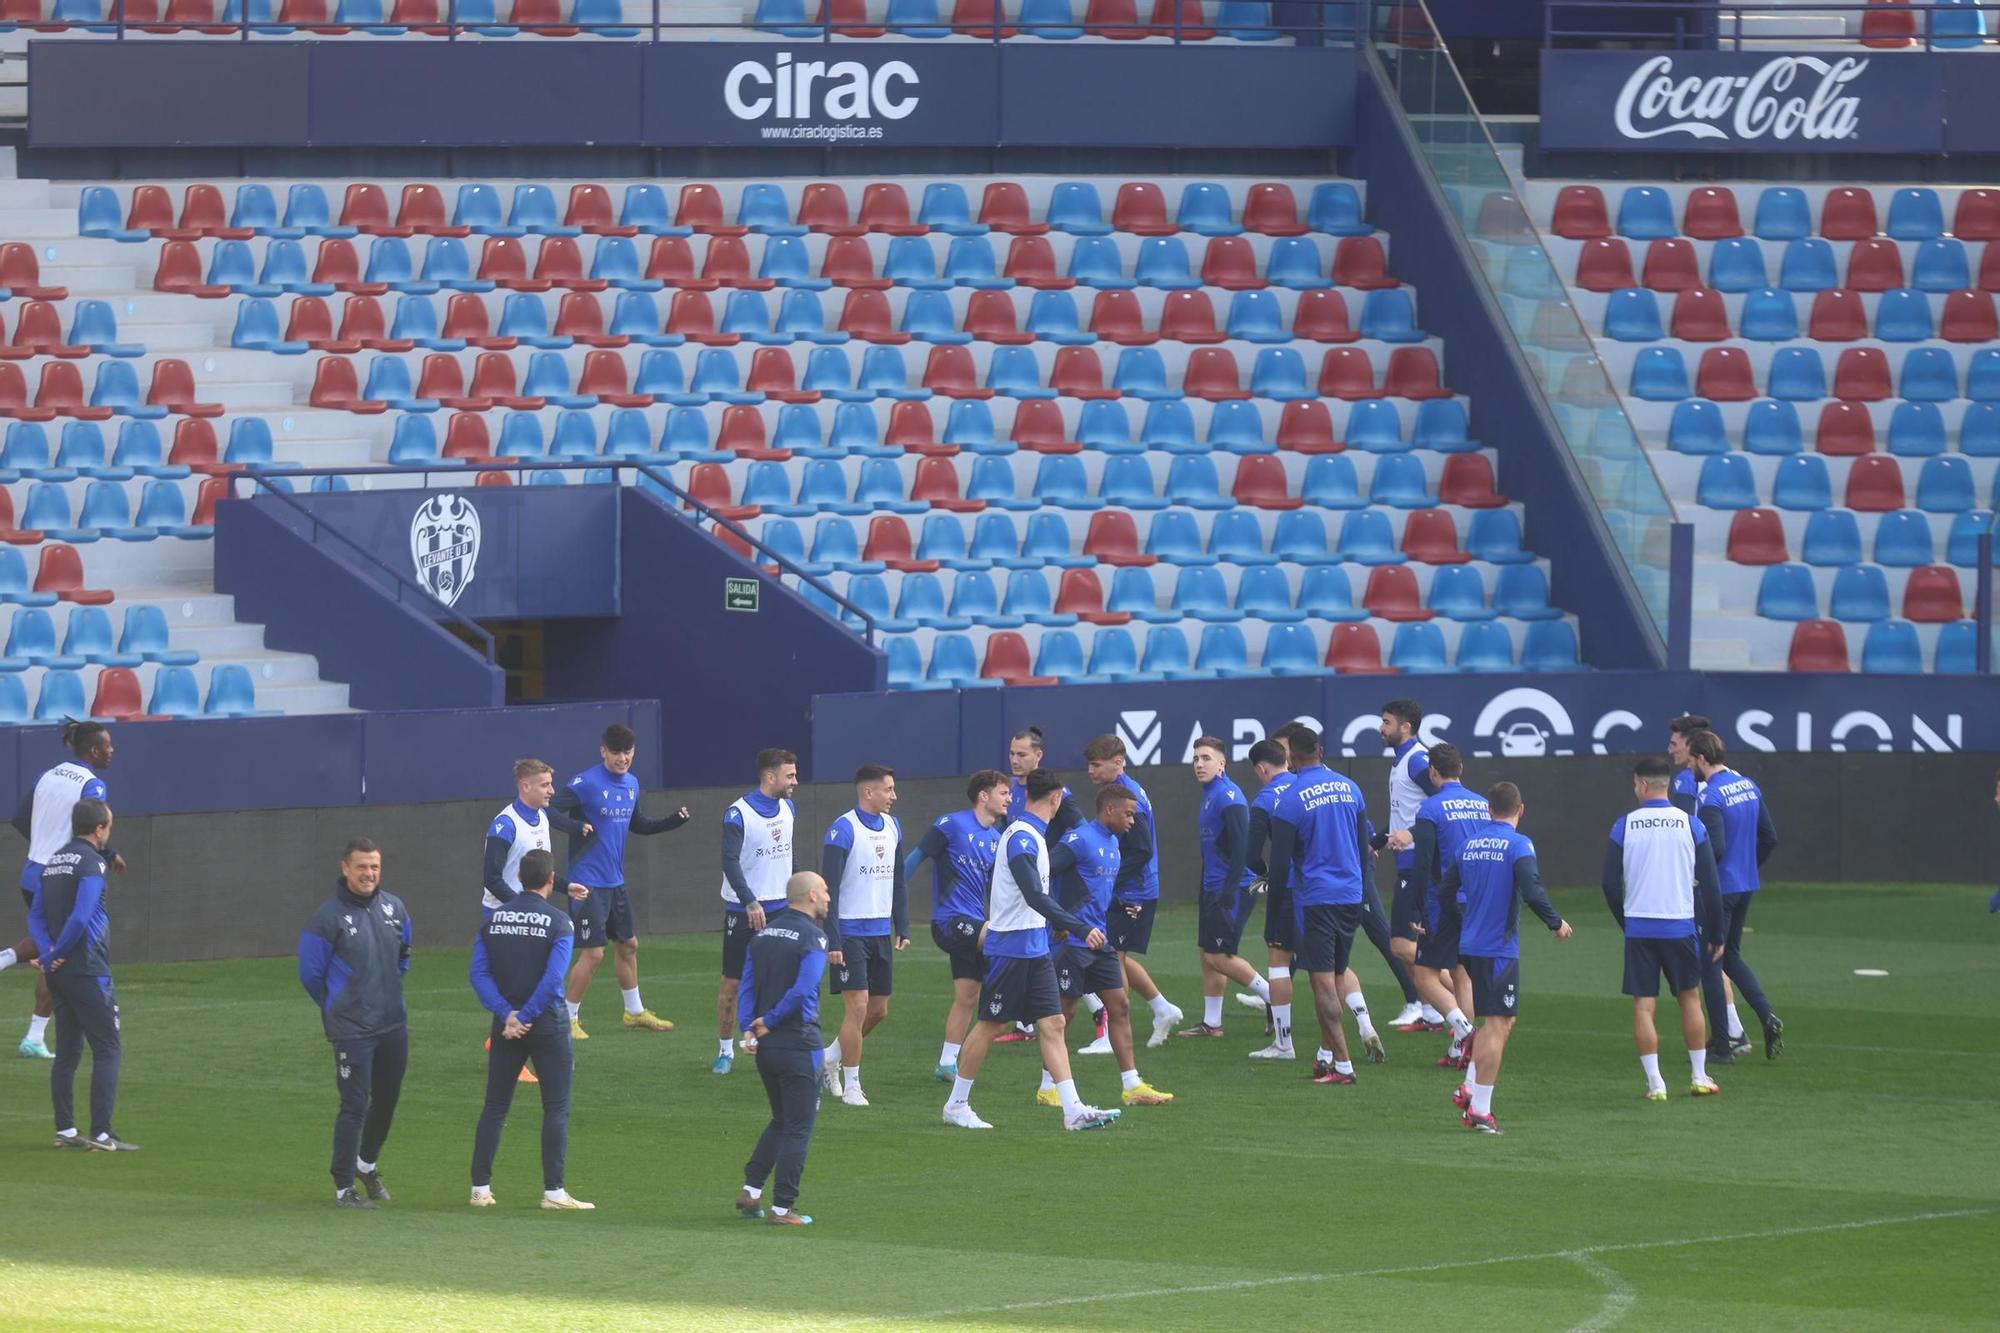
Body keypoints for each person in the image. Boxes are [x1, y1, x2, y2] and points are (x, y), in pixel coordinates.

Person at [941, 769, 1120, 1133]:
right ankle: (956, 1105)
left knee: (1053, 1024)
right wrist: (1079, 926)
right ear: (1055, 799)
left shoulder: (1032, 836)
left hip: (1035, 947)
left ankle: (1072, 1110)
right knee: (990, 1025)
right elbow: (1035, 896)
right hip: (1012, 950)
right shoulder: (1022, 838)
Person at [1440, 782, 1572, 1134]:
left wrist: (1463, 922)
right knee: (1499, 1025)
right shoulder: (1518, 845)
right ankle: (1479, 1110)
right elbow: (1532, 889)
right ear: (1521, 810)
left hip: (1470, 946)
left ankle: (1469, 1086)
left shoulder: (1468, 845)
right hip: (1497, 949)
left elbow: (1445, 892)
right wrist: (1555, 923)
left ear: (1488, 811)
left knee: (1501, 1022)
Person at [469, 849, 592, 1210]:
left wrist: (507, 1014)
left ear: (519, 879)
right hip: (547, 1023)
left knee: (494, 1107)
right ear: (552, 880)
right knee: (556, 1107)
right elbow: (555, 979)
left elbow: (477, 974)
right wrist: (527, 1016)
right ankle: (553, 1192)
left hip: (505, 1024)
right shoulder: (559, 923)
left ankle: (480, 1188)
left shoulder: (493, 921)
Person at [298, 839, 412, 1209]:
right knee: (354, 1105)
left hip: (392, 1022)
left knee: (388, 1100)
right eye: (362, 867)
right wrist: (340, 1005)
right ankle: (343, 1186)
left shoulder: (394, 907)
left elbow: (404, 955)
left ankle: (366, 1165)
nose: (369, 874)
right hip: (353, 1028)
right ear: (345, 868)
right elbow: (310, 974)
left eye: (375, 867)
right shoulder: (326, 918)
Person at [556, 723, 688, 1039]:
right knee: (594, 953)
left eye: (627, 752)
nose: (623, 758)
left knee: (628, 945)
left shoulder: (631, 784)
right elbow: (547, 808)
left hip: (614, 882)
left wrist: (673, 821)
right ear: (603, 751)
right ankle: (567, 1017)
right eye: (616, 752)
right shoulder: (585, 783)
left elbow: (638, 824)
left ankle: (634, 1011)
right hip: (586, 882)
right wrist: (574, 827)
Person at [2, 721, 125, 1061]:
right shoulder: (92, 785)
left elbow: (19, 818)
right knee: (60, 954)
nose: (112, 750)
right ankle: (35, 1036)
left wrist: (45, 845)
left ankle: (6, 961)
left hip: (33, 871)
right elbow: (89, 829)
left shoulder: (49, 775)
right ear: (93, 751)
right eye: (108, 745)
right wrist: (103, 854)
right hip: (64, 875)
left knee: (50, 945)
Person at [1043, 784, 1172, 1107]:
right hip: (1071, 941)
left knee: (1120, 1005)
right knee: (1064, 1013)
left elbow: (1097, 891)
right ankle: (1048, 1087)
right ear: (1110, 810)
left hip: (1099, 940)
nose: (1133, 821)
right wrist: (1058, 922)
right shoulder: (1078, 840)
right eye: (1129, 814)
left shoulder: (1114, 843)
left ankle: (1132, 1086)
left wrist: (1122, 905)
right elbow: (1040, 874)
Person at [1604, 755, 1725, 1101]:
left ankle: (1656, 1084)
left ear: (1641, 784)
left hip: (1640, 926)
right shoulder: (1691, 824)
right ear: (1667, 784)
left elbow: (1609, 884)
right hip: (1680, 925)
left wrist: (1625, 921)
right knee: (1690, 999)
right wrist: (1716, 933)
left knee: (1644, 1005)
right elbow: (1711, 886)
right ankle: (1699, 1076)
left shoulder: (1623, 825)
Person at [1266, 727, 1378, 1085]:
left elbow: (1280, 866)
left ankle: (1343, 1066)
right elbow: (1363, 848)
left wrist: (1273, 920)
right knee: (1339, 975)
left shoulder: (1291, 799)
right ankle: (1326, 1054)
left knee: (1322, 983)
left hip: (1316, 899)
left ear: (1292, 759)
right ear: (1321, 750)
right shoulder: (1351, 788)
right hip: (1350, 896)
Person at [31, 798, 133, 1152]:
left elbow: (36, 917)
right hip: (89, 970)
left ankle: (66, 1131)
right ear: (99, 828)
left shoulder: (53, 862)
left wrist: (48, 956)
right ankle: (103, 1134)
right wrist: (57, 954)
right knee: (108, 1049)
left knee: (68, 1053)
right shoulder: (91, 863)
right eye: (109, 826)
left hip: (59, 975)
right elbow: (82, 915)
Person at [734, 871, 833, 1226]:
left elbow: (746, 985)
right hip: (798, 1042)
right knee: (799, 1127)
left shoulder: (762, 936)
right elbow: (804, 989)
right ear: (808, 896)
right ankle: (782, 1208)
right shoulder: (814, 937)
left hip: (766, 1046)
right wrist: (772, 1020)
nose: (828, 897)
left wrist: (751, 1027)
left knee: (781, 1119)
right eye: (823, 891)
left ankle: (751, 1191)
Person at [483, 758, 590, 1084]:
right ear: (525, 786)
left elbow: (539, 873)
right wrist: (522, 907)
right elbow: (491, 878)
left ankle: (505, 1045)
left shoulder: (542, 817)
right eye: (545, 785)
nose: (552, 791)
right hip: (502, 916)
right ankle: (510, 1054)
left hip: (528, 915)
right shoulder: (504, 825)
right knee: (514, 988)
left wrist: (565, 885)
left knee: (529, 984)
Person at [906, 770, 1009, 1083]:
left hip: (974, 922)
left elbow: (999, 889)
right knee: (1005, 942)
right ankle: (1032, 1005)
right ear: (983, 795)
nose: (1009, 799)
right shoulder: (951, 825)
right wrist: (892, 903)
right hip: (950, 922)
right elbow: (914, 859)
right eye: (1003, 793)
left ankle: (947, 1064)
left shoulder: (998, 839)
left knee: (967, 996)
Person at [1687, 731, 1785, 1063]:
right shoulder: (1749, 786)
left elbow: (1714, 848)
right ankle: (1767, 1016)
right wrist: (1748, 867)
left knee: (1710, 964)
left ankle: (1722, 1045)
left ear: (1701, 759)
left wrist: (1696, 875)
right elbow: (1769, 836)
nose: (1691, 769)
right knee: (1732, 958)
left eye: (1692, 762)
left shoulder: (1710, 797)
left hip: (1720, 891)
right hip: (1745, 886)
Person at [1081, 735, 1183, 1047]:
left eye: (1096, 765)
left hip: (1132, 892)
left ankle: (1113, 1035)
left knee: (1111, 959)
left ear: (1119, 762)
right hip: (1131, 889)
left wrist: (1110, 879)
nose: (1090, 771)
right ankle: (1162, 1008)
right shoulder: (1121, 792)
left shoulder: (1129, 799)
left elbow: (1140, 851)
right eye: (1089, 765)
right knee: (1116, 955)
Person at [819, 764, 908, 1108]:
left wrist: (901, 924)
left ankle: (830, 1056)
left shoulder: (893, 826)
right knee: (856, 1008)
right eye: (889, 789)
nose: (894, 796)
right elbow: (829, 890)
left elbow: (898, 878)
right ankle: (852, 1084)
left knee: (878, 1010)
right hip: (850, 932)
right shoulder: (842, 830)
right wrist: (834, 938)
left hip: (879, 932)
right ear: (869, 792)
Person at [1400, 744, 1489, 1071]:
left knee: (1424, 977)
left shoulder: (1430, 809)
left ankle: (1466, 1034)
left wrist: (1417, 907)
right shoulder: (1483, 805)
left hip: (1444, 900)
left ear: (1433, 772)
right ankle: (1458, 1052)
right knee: (1462, 975)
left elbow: (1423, 862)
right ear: (1461, 769)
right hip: (1478, 900)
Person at [716, 748, 799, 1076]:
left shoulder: (789, 808)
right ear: (770, 776)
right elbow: (729, 861)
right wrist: (750, 901)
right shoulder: (738, 814)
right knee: (731, 984)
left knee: (781, 981)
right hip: (743, 910)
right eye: (790, 775)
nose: (795, 781)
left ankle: (774, 1045)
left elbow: (791, 856)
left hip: (782, 908)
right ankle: (725, 1050)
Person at [1180, 737, 1271, 1038]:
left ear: (1222, 763)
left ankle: (1273, 997)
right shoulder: (1210, 795)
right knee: (1207, 954)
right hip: (1214, 888)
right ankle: (1212, 1024)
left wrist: (1229, 893)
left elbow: (1242, 849)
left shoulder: (1229, 796)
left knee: (1219, 956)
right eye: (1195, 759)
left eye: (1206, 758)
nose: (1199, 764)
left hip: (1235, 888)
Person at [1004, 727, 1088, 1047]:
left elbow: (1081, 834)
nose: (1015, 760)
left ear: (1038, 756)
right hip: (1018, 883)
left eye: (1022, 754)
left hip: (1047, 886)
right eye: (1012, 753)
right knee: (1038, 951)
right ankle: (1027, 1021)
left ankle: (1097, 1012)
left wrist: (1050, 860)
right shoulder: (1011, 790)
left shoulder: (1058, 795)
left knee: (1051, 952)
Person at [1374, 700, 1441, 1032]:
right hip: (1407, 862)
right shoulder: (1402, 761)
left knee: (1401, 944)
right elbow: (1406, 813)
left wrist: (1410, 834)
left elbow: (1442, 804)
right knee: (1414, 941)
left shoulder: (1417, 760)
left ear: (1406, 727)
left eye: (1386, 722)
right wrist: (1380, 841)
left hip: (1419, 865)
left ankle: (1452, 994)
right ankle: (1431, 1013)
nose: (1380, 728)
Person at [1242, 733, 1300, 1060]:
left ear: (1262, 769)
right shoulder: (1306, 787)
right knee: (1333, 965)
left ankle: (1283, 1044)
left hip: (1287, 887)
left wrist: (1264, 871)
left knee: (1278, 964)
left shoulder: (1264, 799)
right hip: (1323, 888)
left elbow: (1251, 854)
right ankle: (1361, 1025)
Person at [1666, 715, 1712, 816]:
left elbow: (1682, 828)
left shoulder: (1685, 779)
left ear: (1691, 744)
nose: (1670, 750)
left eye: (1674, 744)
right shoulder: (1736, 777)